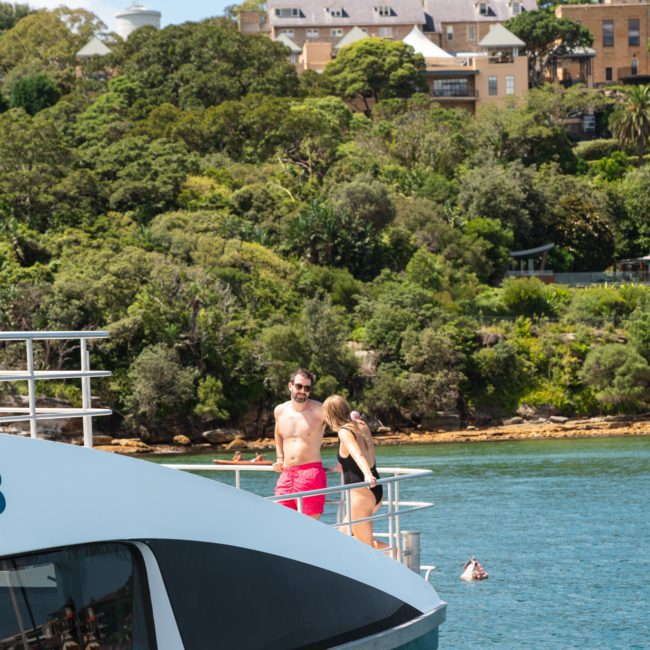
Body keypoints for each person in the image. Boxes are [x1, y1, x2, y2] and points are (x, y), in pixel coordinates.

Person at [322, 395, 383, 547]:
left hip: (361, 493)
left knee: (364, 546)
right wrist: (343, 463)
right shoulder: (361, 425)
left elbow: (358, 454)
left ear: (330, 415)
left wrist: (367, 476)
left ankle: (393, 553)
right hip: (376, 490)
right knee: (342, 537)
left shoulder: (344, 431)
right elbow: (363, 452)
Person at [273, 368, 326, 519]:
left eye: (307, 388)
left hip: (311, 474)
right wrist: (279, 457)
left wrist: (343, 459)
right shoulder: (280, 410)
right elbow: (278, 433)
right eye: (299, 386)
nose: (303, 391)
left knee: (310, 528)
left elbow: (343, 428)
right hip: (286, 474)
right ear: (290, 386)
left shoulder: (320, 410)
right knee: (280, 521)